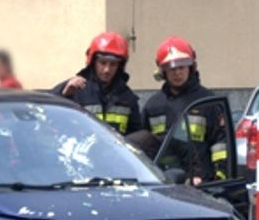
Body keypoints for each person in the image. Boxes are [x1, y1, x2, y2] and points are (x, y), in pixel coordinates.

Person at [141, 37, 229, 182]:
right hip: (163, 183)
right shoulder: (153, 106)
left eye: (181, 67)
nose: (177, 73)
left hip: (201, 183)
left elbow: (220, 143)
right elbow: (144, 147)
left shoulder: (207, 102)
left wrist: (219, 178)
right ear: (162, 70)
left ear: (191, 67)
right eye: (172, 68)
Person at [53, 32, 143, 135]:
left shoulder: (127, 98)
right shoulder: (75, 89)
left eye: (113, 64)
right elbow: (47, 113)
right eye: (103, 63)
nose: (107, 70)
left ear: (120, 66)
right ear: (93, 62)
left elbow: (136, 137)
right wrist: (64, 95)